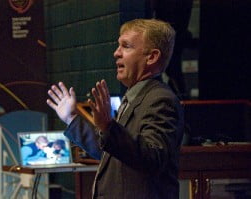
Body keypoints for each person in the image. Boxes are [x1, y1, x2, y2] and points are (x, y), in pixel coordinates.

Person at [47, 19, 184, 199]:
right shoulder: (135, 98)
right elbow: (111, 154)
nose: (116, 53)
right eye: (118, 46)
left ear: (151, 57)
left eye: (126, 46)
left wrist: (109, 127)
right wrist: (72, 119)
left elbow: (152, 158)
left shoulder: (160, 100)